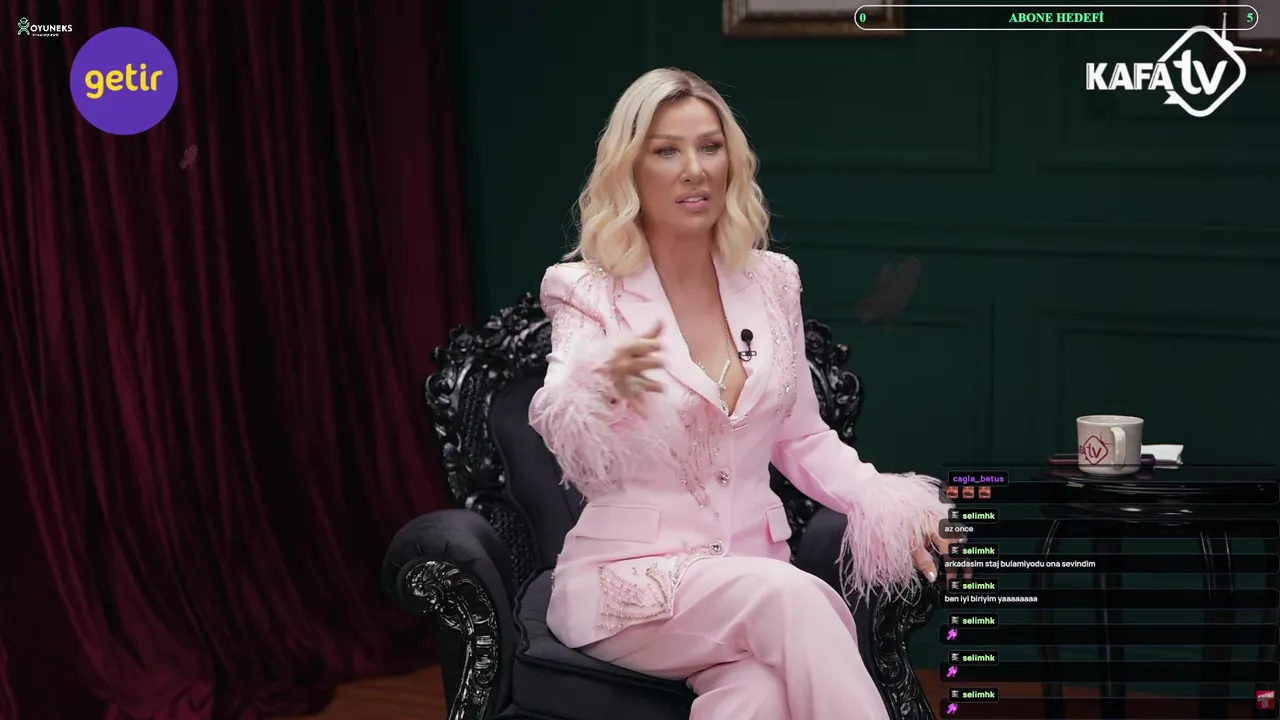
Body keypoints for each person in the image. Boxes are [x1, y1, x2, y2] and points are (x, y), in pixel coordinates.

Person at [528, 68, 958, 720]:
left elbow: (804, 437)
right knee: (794, 599)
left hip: (748, 577)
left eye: (710, 146)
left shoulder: (772, 281)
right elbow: (559, 413)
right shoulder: (585, 291)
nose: (694, 169)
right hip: (630, 582)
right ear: (631, 168)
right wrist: (598, 384)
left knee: (755, 696)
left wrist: (894, 504)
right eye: (667, 150)